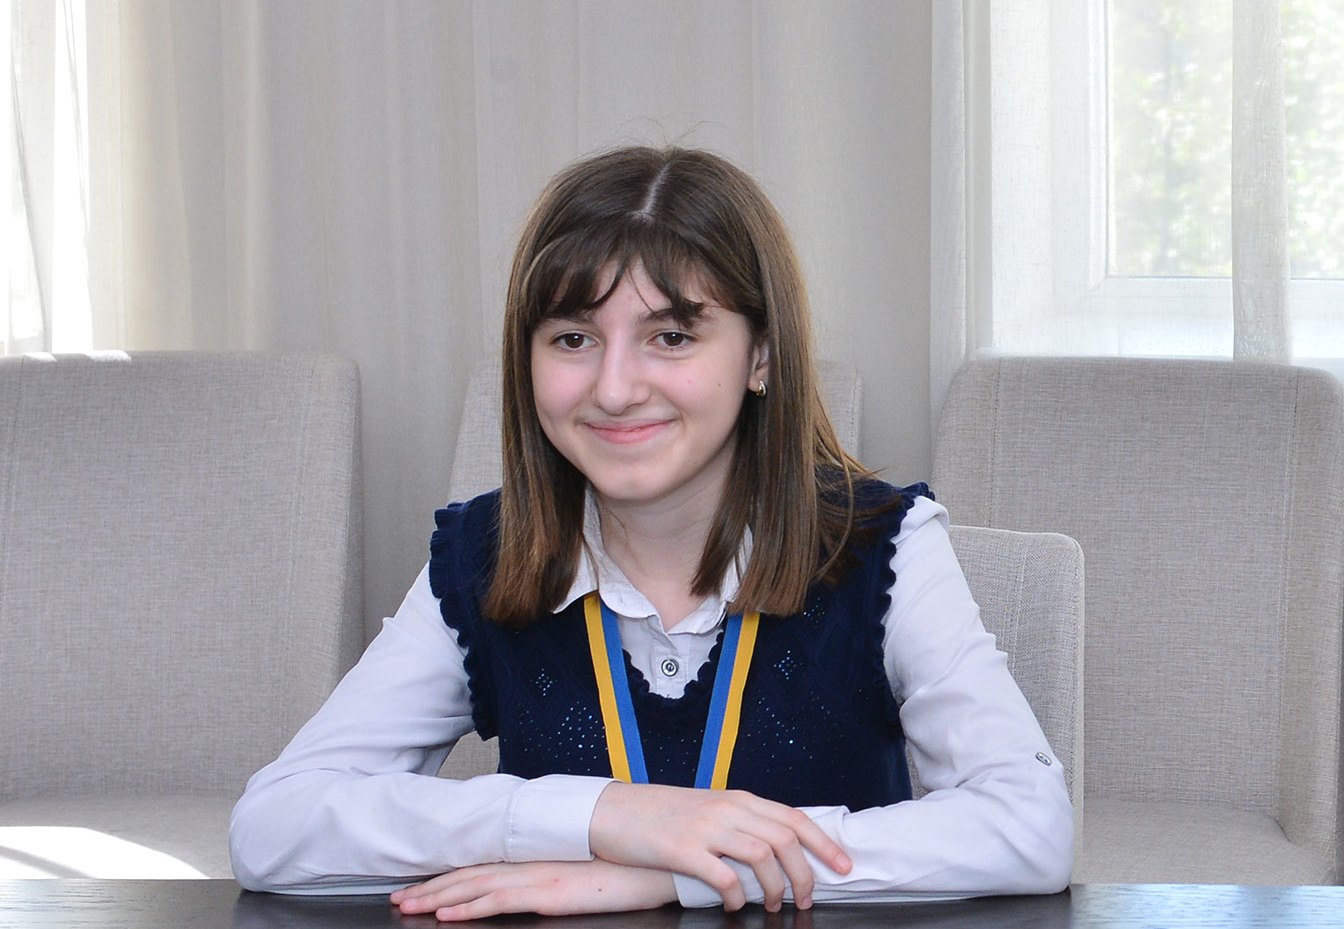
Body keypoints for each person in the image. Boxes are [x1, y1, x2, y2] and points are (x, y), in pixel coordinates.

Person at [229, 146, 1073, 920]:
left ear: (761, 355)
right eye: (573, 338)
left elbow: (1029, 826)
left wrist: (679, 870)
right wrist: (605, 816)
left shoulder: (885, 542)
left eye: (671, 336)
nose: (615, 387)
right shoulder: (483, 553)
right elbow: (275, 824)